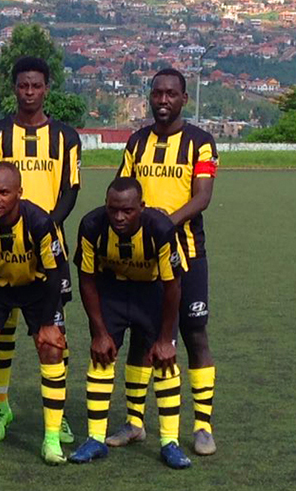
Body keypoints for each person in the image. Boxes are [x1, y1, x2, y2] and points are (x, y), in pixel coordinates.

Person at [0, 56, 80, 444]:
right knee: (0, 332)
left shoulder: (66, 136)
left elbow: (71, 189)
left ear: (47, 88)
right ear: (14, 88)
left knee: (52, 333)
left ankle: (58, 416)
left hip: (45, 248)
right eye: (22, 86)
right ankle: (0, 406)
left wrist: (45, 225)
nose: (29, 92)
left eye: (36, 86)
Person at [113, 68, 218, 456]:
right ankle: (136, 422)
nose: (162, 101)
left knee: (194, 335)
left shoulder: (201, 143)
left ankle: (203, 425)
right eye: (157, 94)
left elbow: (202, 197)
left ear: (183, 99)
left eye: (171, 94)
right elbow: (123, 191)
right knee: (142, 336)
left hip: (187, 254)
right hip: (141, 259)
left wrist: (161, 224)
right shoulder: (136, 142)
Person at [69, 177, 191, 470]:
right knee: (101, 355)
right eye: (113, 210)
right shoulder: (91, 225)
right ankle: (96, 440)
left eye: (128, 211)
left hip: (152, 292)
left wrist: (165, 339)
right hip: (111, 289)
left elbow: (173, 285)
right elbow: (86, 279)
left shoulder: (160, 229)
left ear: (142, 207)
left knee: (164, 360)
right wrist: (98, 332)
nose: (119, 217)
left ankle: (169, 443)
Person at [0, 163, 68, 465]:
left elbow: (55, 273)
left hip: (37, 287)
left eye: (3, 192)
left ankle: (52, 438)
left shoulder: (39, 222)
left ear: (19, 192)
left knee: (52, 349)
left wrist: (47, 323)